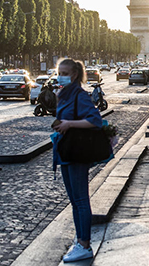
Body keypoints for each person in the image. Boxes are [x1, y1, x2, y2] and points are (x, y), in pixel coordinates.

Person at [52, 58, 102, 263]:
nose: (60, 75)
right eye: (59, 72)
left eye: (64, 72)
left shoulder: (79, 95)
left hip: (76, 152)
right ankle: (80, 239)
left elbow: (95, 120)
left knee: (81, 200)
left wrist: (68, 124)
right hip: (65, 152)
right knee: (74, 201)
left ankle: (84, 245)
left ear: (73, 75)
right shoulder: (63, 94)